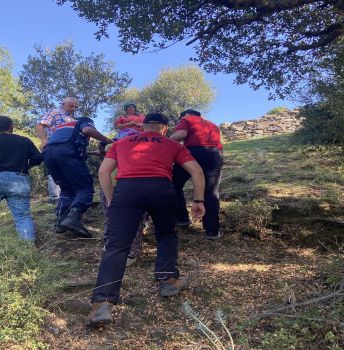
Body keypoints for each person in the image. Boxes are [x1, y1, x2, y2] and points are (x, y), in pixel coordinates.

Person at [86, 113, 206, 327]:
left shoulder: (121, 143)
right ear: (164, 128)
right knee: (166, 235)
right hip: (161, 189)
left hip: (127, 191)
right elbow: (196, 171)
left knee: (116, 246)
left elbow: (104, 172)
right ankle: (168, 280)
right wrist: (198, 200)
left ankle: (102, 304)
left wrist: (113, 199)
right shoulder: (171, 143)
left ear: (143, 127)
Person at [42, 113, 113, 238]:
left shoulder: (63, 128)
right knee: (85, 187)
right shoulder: (83, 121)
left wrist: (90, 152)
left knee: (67, 189)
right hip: (66, 152)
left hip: (48, 154)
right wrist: (108, 141)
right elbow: (87, 130)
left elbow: (62, 146)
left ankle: (60, 222)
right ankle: (74, 218)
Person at [170, 109, 223, 239]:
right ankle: (212, 231)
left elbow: (180, 135)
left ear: (186, 115)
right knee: (211, 191)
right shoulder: (212, 125)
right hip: (215, 154)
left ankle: (182, 218)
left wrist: (167, 140)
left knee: (174, 184)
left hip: (193, 152)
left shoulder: (186, 119)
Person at [35, 97, 79, 203]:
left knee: (69, 171)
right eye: (71, 106)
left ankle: (70, 196)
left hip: (69, 149)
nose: (73, 109)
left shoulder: (73, 120)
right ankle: (55, 198)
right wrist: (44, 141)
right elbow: (40, 125)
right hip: (54, 146)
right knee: (55, 170)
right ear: (63, 104)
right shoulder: (55, 113)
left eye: (75, 107)